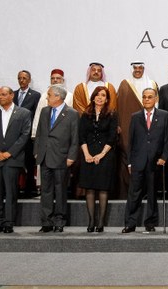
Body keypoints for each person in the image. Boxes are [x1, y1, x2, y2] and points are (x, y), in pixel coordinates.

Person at [0, 86, 32, 233]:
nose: (1, 97)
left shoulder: (24, 113)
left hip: (13, 159)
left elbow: (25, 135)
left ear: (12, 96)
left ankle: (9, 222)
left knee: (11, 192)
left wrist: (10, 153)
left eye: (4, 94)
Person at [122, 88, 168, 233]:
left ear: (156, 99)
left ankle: (150, 223)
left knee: (152, 193)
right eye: (144, 97)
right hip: (138, 161)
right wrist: (130, 162)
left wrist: (164, 157)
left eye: (150, 97)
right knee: (134, 194)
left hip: (155, 161)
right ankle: (130, 223)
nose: (147, 99)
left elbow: (167, 139)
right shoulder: (135, 117)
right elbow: (131, 141)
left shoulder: (164, 115)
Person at [35, 84, 79, 233]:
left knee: (60, 191)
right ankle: (46, 222)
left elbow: (75, 137)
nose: (47, 97)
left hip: (62, 158)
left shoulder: (72, 113)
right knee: (45, 191)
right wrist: (37, 151)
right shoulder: (44, 111)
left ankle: (59, 221)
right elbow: (40, 133)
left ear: (58, 96)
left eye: (49, 95)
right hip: (44, 157)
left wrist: (71, 156)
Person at [118, 62, 161, 200]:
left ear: (143, 69)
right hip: (128, 128)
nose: (137, 70)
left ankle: (148, 193)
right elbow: (120, 107)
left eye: (140, 68)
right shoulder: (125, 84)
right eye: (135, 68)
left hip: (150, 129)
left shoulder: (152, 84)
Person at [78, 86, 118, 232]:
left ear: (107, 99)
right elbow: (81, 136)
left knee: (102, 188)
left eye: (103, 95)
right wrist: (87, 154)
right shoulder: (85, 114)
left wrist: (101, 154)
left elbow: (112, 137)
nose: (100, 97)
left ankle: (100, 223)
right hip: (88, 153)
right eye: (97, 95)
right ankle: (91, 222)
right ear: (93, 97)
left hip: (105, 154)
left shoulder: (112, 114)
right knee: (89, 189)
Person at [14, 70, 42, 198]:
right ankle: (14, 189)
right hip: (14, 135)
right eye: (19, 78)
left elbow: (36, 115)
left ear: (29, 80)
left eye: (24, 78)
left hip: (28, 134)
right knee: (14, 163)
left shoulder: (35, 95)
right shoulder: (13, 94)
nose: (22, 80)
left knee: (29, 163)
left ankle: (29, 190)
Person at [32, 69, 74, 139]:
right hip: (45, 132)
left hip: (62, 133)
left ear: (63, 81)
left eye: (58, 78)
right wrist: (34, 133)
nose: (55, 80)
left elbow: (71, 117)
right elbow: (38, 114)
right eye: (52, 78)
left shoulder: (70, 96)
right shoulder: (44, 95)